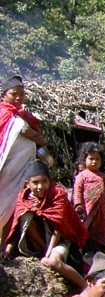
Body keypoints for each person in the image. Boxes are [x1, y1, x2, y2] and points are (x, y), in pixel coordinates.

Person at [1, 159, 87, 289]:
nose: (40, 186)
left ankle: (85, 287)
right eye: (35, 182)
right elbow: (16, 227)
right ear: (27, 184)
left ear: (50, 182)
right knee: (28, 214)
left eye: (44, 181)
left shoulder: (58, 196)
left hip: (60, 241)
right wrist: (8, 250)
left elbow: (59, 228)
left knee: (54, 262)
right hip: (36, 244)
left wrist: (48, 254)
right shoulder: (23, 199)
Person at [0, 75, 47, 237]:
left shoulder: (21, 115)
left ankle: (5, 246)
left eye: (22, 94)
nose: (19, 97)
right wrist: (39, 138)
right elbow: (24, 130)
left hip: (20, 171)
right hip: (7, 169)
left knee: (14, 205)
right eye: (14, 94)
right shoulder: (5, 113)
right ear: (4, 95)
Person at [73, 142, 105, 256]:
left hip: (102, 212)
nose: (94, 162)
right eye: (91, 158)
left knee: (103, 228)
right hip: (88, 210)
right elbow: (77, 191)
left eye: (97, 159)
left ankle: (102, 249)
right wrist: (78, 205)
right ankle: (86, 249)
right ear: (84, 160)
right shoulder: (82, 176)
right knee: (88, 229)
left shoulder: (104, 177)